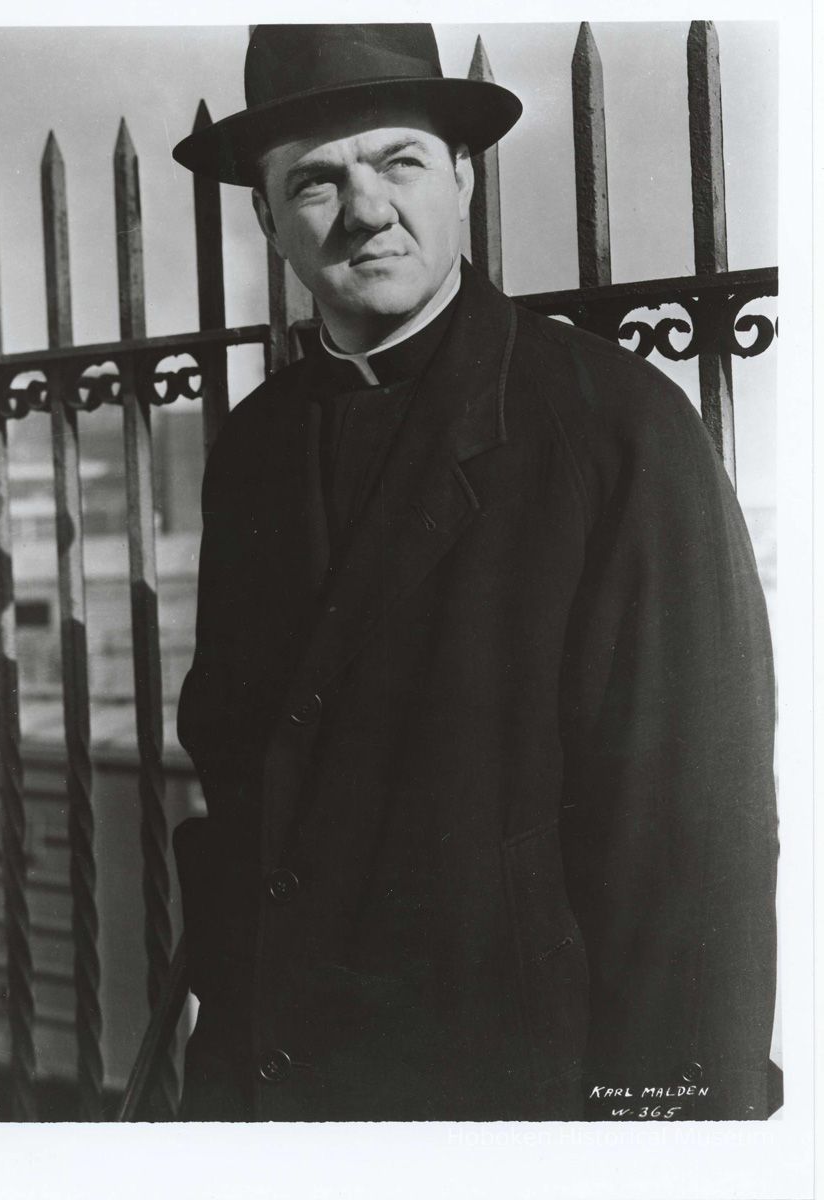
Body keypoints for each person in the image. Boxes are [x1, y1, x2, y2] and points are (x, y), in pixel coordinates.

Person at [170, 23, 779, 1122]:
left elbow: (692, 842)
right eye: (313, 181)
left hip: (509, 1104)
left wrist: (672, 1137)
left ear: (460, 174)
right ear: (265, 219)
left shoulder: (616, 431)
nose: (362, 211)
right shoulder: (254, 448)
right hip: (278, 1096)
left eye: (397, 161)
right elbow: (238, 762)